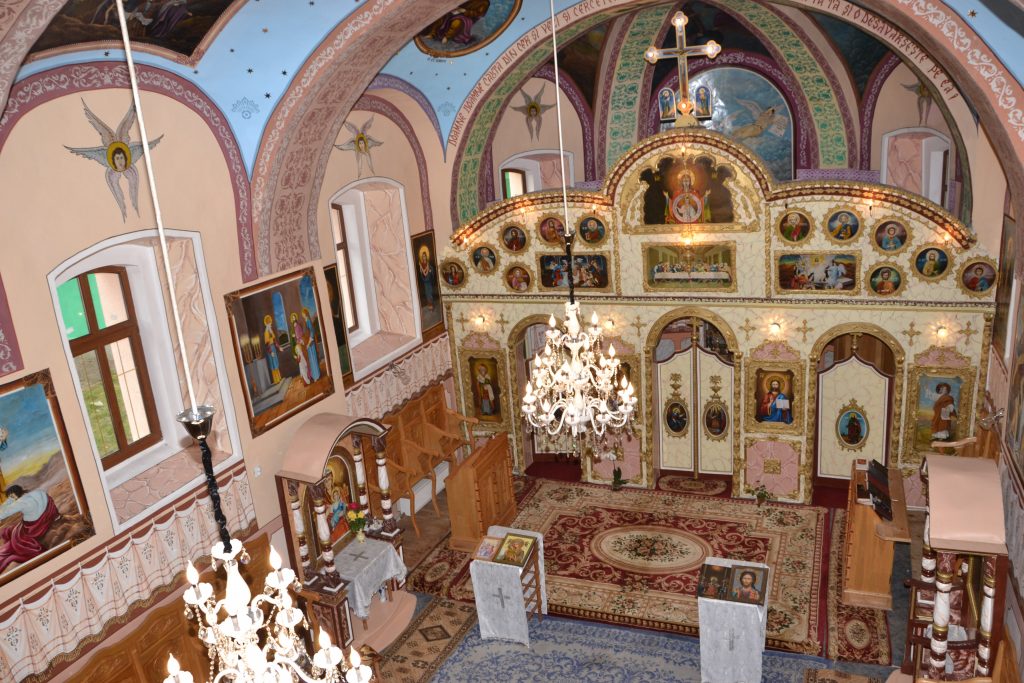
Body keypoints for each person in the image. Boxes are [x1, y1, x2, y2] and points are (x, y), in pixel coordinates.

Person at [0, 485, 61, 572]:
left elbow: (1, 514)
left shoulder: (20, 503)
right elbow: (48, 498)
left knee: (16, 537)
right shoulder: (36, 492)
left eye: (10, 496)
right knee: (14, 529)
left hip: (34, 526)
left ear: (13, 495)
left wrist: (10, 501)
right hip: (49, 515)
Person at [301, 308, 321, 382]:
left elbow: (312, 332)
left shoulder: (308, 321)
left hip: (311, 344)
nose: (303, 315)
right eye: (302, 314)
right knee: (311, 360)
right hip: (308, 344)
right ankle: (314, 375)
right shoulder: (306, 321)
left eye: (303, 314)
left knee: (313, 359)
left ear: (306, 314)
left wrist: (309, 343)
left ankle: (316, 375)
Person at [417, 245, 437, 311]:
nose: (424, 257)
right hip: (425, 281)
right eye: (423, 256)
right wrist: (421, 267)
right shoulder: (421, 265)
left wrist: (430, 270)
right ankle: (429, 306)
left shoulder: (428, 264)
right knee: (427, 293)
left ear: (426, 257)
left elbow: (428, 272)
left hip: (429, 281)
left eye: (425, 256)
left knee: (430, 293)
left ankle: (432, 306)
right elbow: (423, 273)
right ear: (422, 257)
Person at [263, 315, 282, 384]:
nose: (270, 324)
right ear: (267, 324)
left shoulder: (270, 331)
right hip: (270, 349)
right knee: (273, 365)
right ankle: (276, 380)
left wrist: (279, 347)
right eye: (269, 323)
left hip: (273, 347)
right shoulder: (266, 332)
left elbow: (274, 341)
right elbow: (267, 344)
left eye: (270, 323)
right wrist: (271, 352)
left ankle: (279, 378)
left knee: (276, 363)